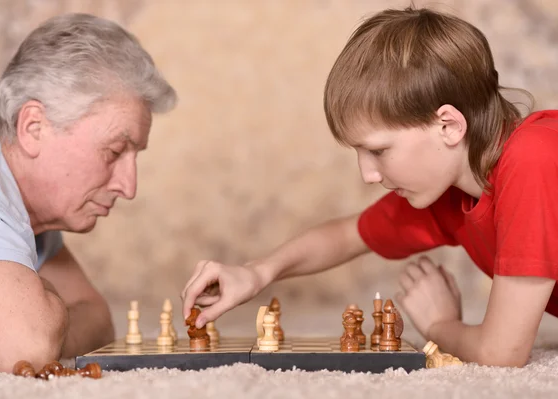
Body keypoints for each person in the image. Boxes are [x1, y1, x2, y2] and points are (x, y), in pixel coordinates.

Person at [181, 6, 558, 368]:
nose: (368, 174)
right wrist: (257, 273)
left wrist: (440, 325)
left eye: (378, 150)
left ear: (449, 126)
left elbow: (502, 353)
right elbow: (347, 235)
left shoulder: (533, 159)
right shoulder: (449, 191)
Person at [0, 13, 176, 372]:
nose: (129, 186)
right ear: (33, 127)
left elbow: (97, 316)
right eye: (114, 151)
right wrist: (25, 309)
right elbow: (21, 349)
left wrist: (31, 301)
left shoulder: (23, 202)